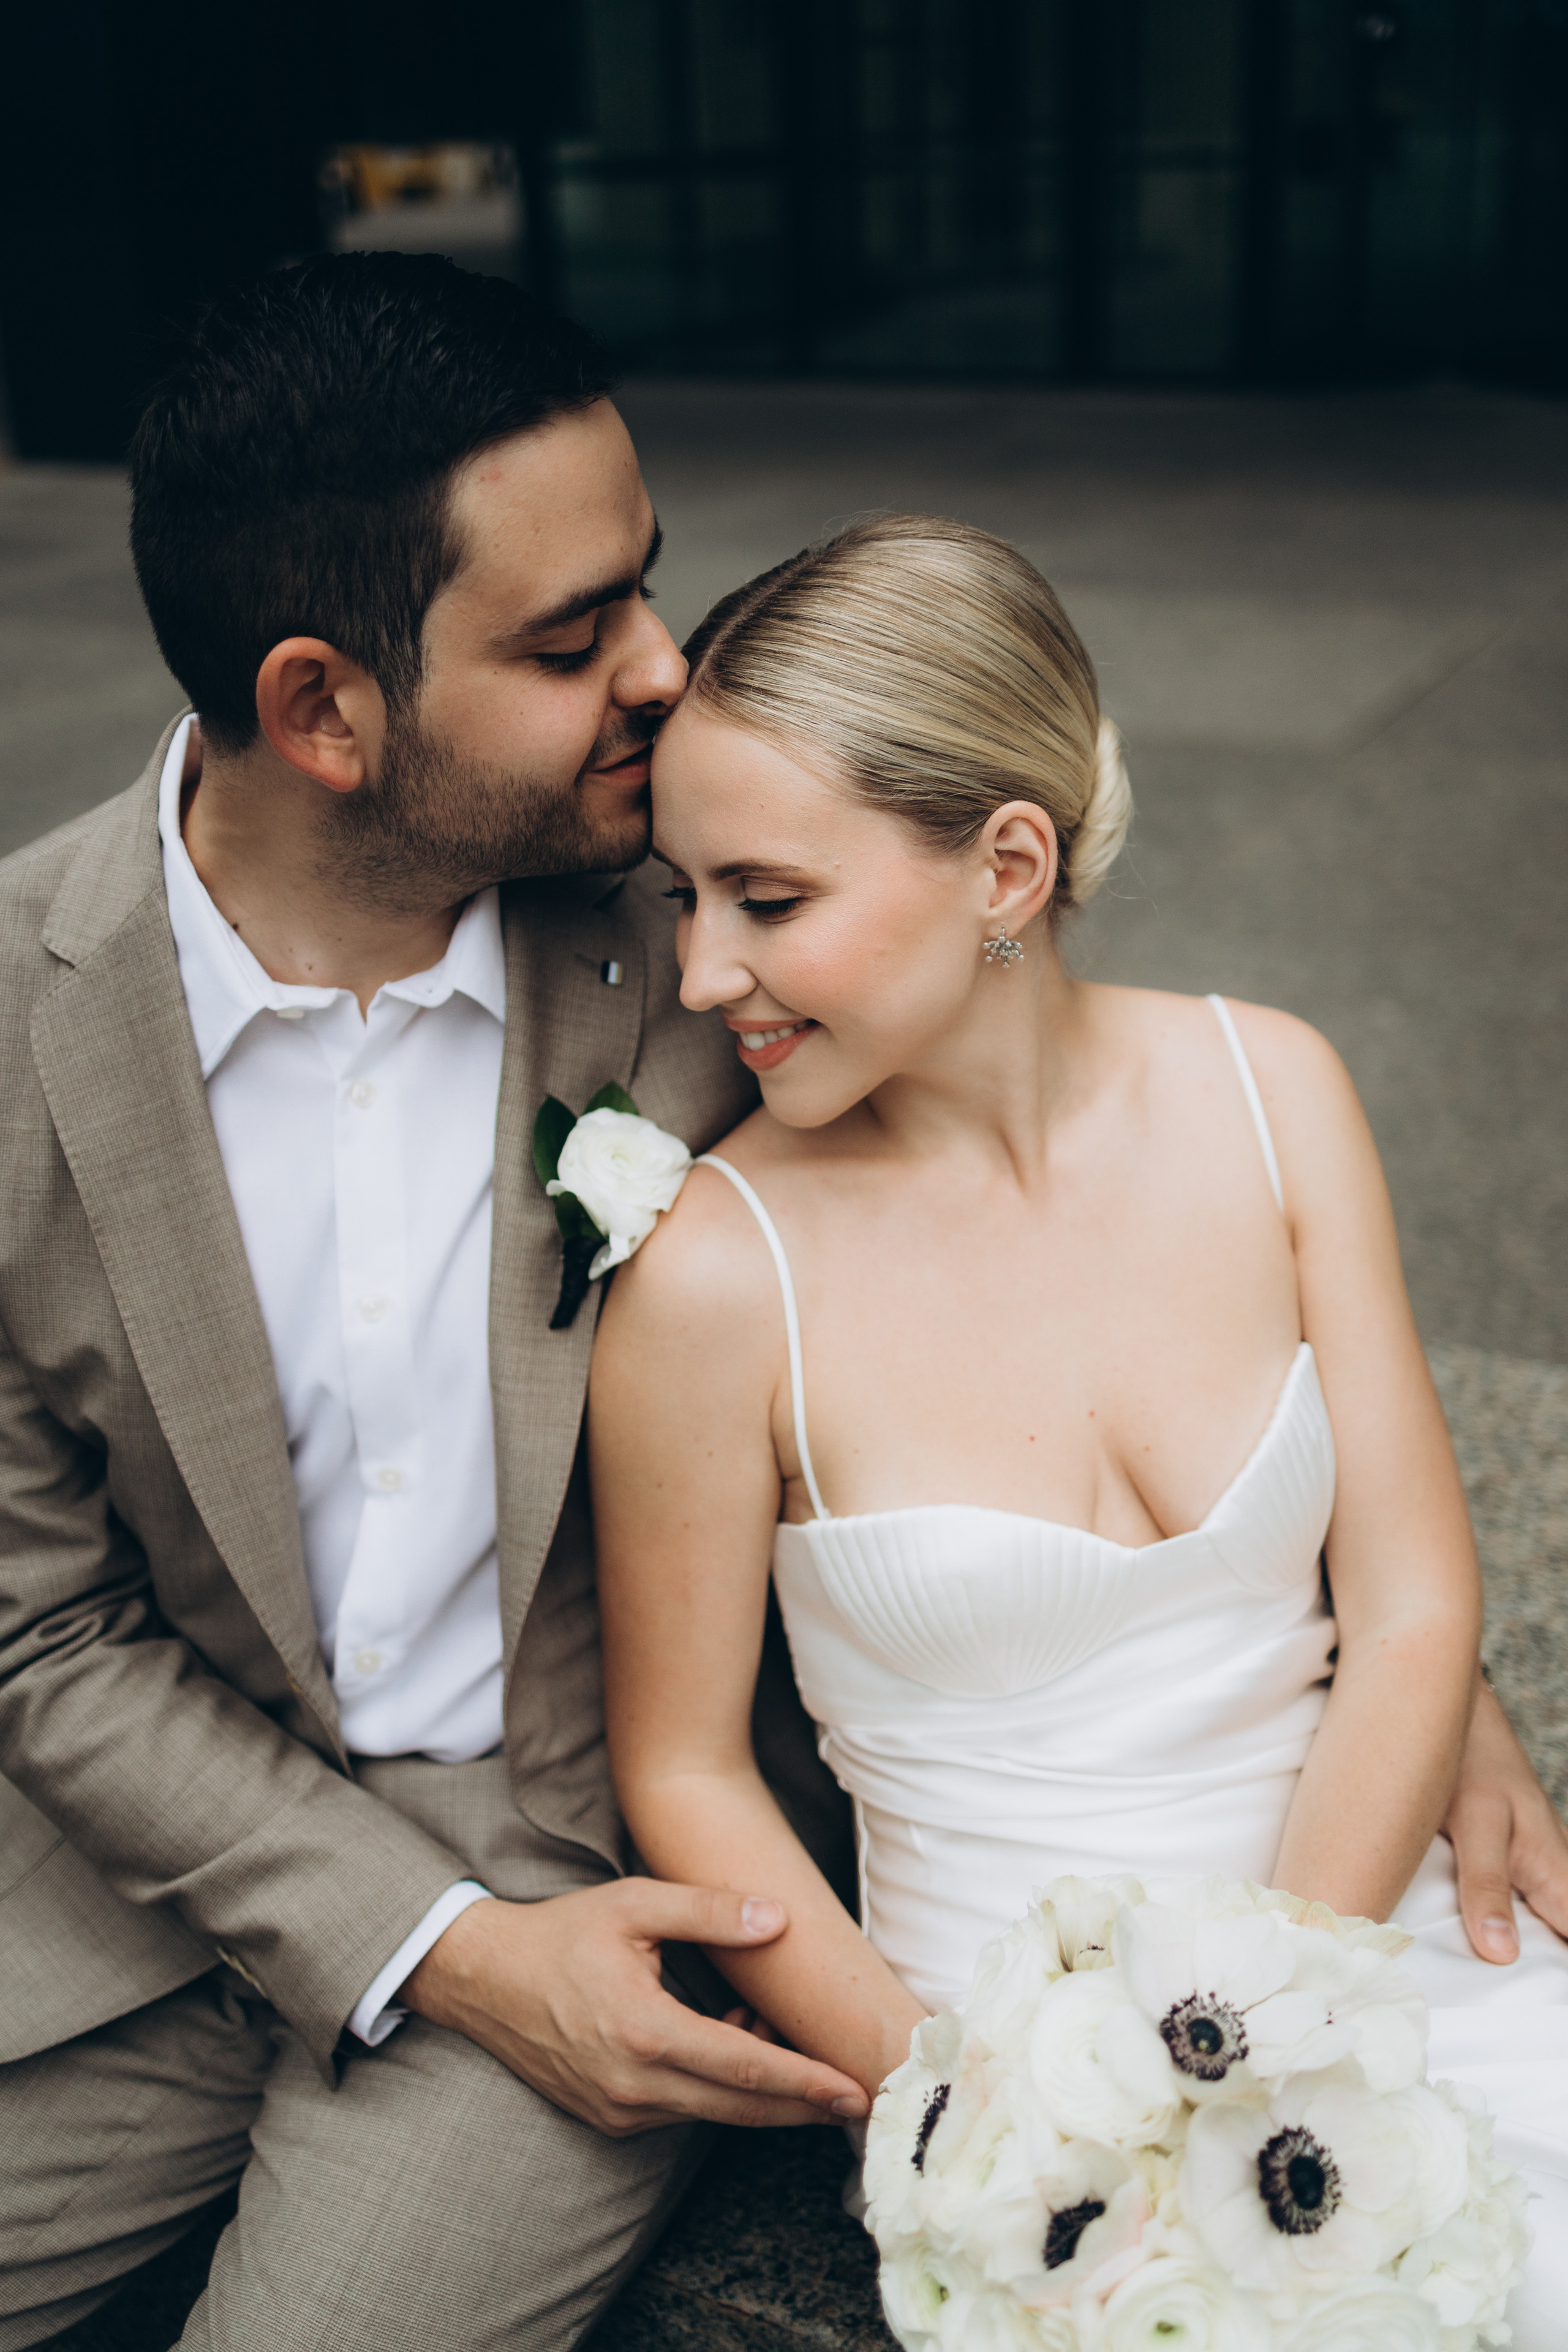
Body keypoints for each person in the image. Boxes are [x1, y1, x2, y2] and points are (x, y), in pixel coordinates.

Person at [0, 254, 870, 2352]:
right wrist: (418, 1936)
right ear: (322, 709)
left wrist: (1376, 1639)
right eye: (577, 641)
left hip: (589, 1883)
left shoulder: (723, 932)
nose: (673, 671)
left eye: (647, 585)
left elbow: (1073, 1189)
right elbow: (35, 1626)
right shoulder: (19, 1019)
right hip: (134, 1895)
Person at [590, 514, 1568, 2342]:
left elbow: (1418, 1606)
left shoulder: (1272, 1089)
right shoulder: (722, 1276)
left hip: (1387, 1936)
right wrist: (968, 2102)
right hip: (1023, 2084)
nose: (708, 973)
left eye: (768, 898)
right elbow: (690, 1772)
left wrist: (1278, 2023)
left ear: (1008, 865)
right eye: (684, 898)